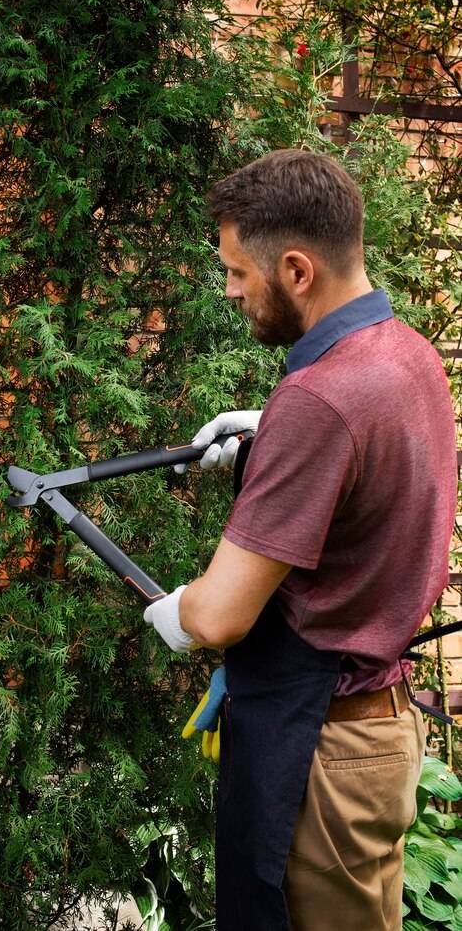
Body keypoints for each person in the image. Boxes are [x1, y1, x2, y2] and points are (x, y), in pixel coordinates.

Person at [143, 149, 458, 931]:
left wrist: (175, 612)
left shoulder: (322, 400)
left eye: (238, 272)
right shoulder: (405, 353)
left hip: (324, 755)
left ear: (295, 268)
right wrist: (268, 430)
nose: (230, 290)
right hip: (375, 736)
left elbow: (220, 617)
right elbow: (369, 467)